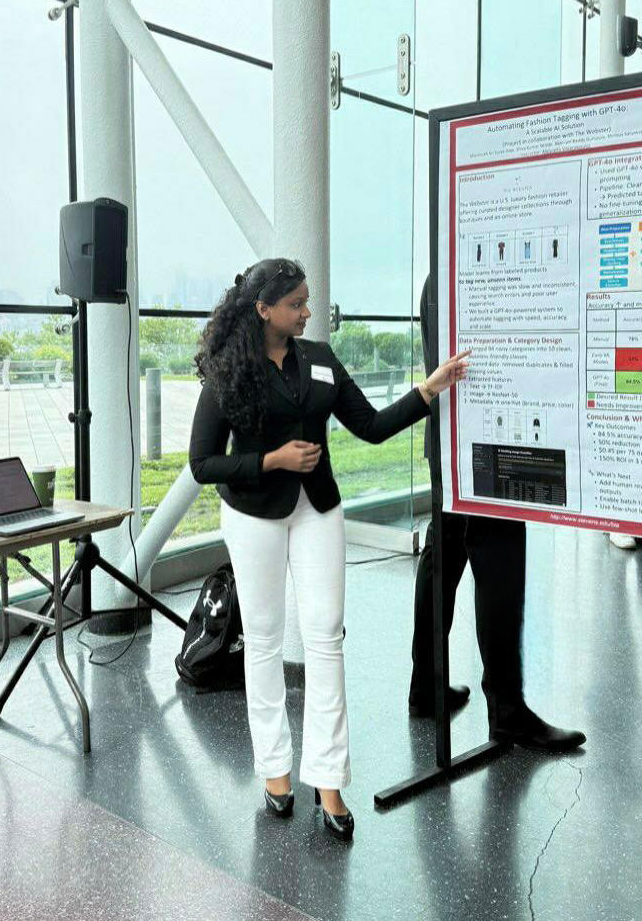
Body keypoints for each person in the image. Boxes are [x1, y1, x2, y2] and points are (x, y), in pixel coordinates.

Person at [189, 259, 469, 839]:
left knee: (327, 635)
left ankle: (328, 778)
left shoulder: (318, 358)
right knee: (263, 640)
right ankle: (274, 771)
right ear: (264, 309)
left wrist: (427, 390)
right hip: (253, 514)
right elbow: (202, 462)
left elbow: (367, 424)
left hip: (318, 507)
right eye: (296, 304)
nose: (307, 312)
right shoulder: (230, 368)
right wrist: (271, 460)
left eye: (307, 302)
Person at [409, 278, 586, 752]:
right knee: (499, 563)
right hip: (491, 440)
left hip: (450, 440)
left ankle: (425, 685)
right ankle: (507, 712)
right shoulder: (476, 264)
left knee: (441, 556)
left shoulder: (439, 268)